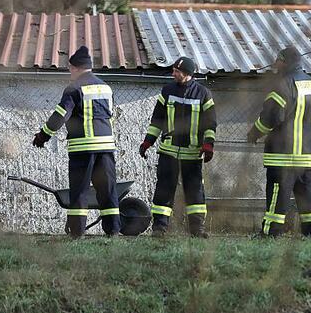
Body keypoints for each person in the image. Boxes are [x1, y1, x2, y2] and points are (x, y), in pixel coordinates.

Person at [32, 46, 119, 238]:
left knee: (80, 191)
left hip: (83, 149)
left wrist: (43, 135)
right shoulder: (105, 87)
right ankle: (113, 231)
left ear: (76, 68)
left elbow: (61, 116)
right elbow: (110, 115)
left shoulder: (74, 89)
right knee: (108, 190)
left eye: (70, 68)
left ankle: (77, 233)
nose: (69, 72)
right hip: (106, 147)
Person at [246, 46, 311, 237]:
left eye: (277, 60)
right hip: (309, 157)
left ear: (284, 62)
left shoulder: (283, 84)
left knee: (277, 198)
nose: (274, 64)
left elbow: (271, 117)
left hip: (284, 157)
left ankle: (271, 233)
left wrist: (254, 133)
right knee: (308, 198)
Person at [139, 56, 217, 238]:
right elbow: (157, 120)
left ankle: (197, 230)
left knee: (195, 193)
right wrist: (148, 141)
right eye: (173, 70)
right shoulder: (167, 91)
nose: (173, 73)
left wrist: (208, 144)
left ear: (188, 74)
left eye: (177, 71)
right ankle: (159, 228)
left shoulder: (203, 94)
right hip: (169, 152)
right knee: (164, 190)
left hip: (193, 153)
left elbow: (210, 123)